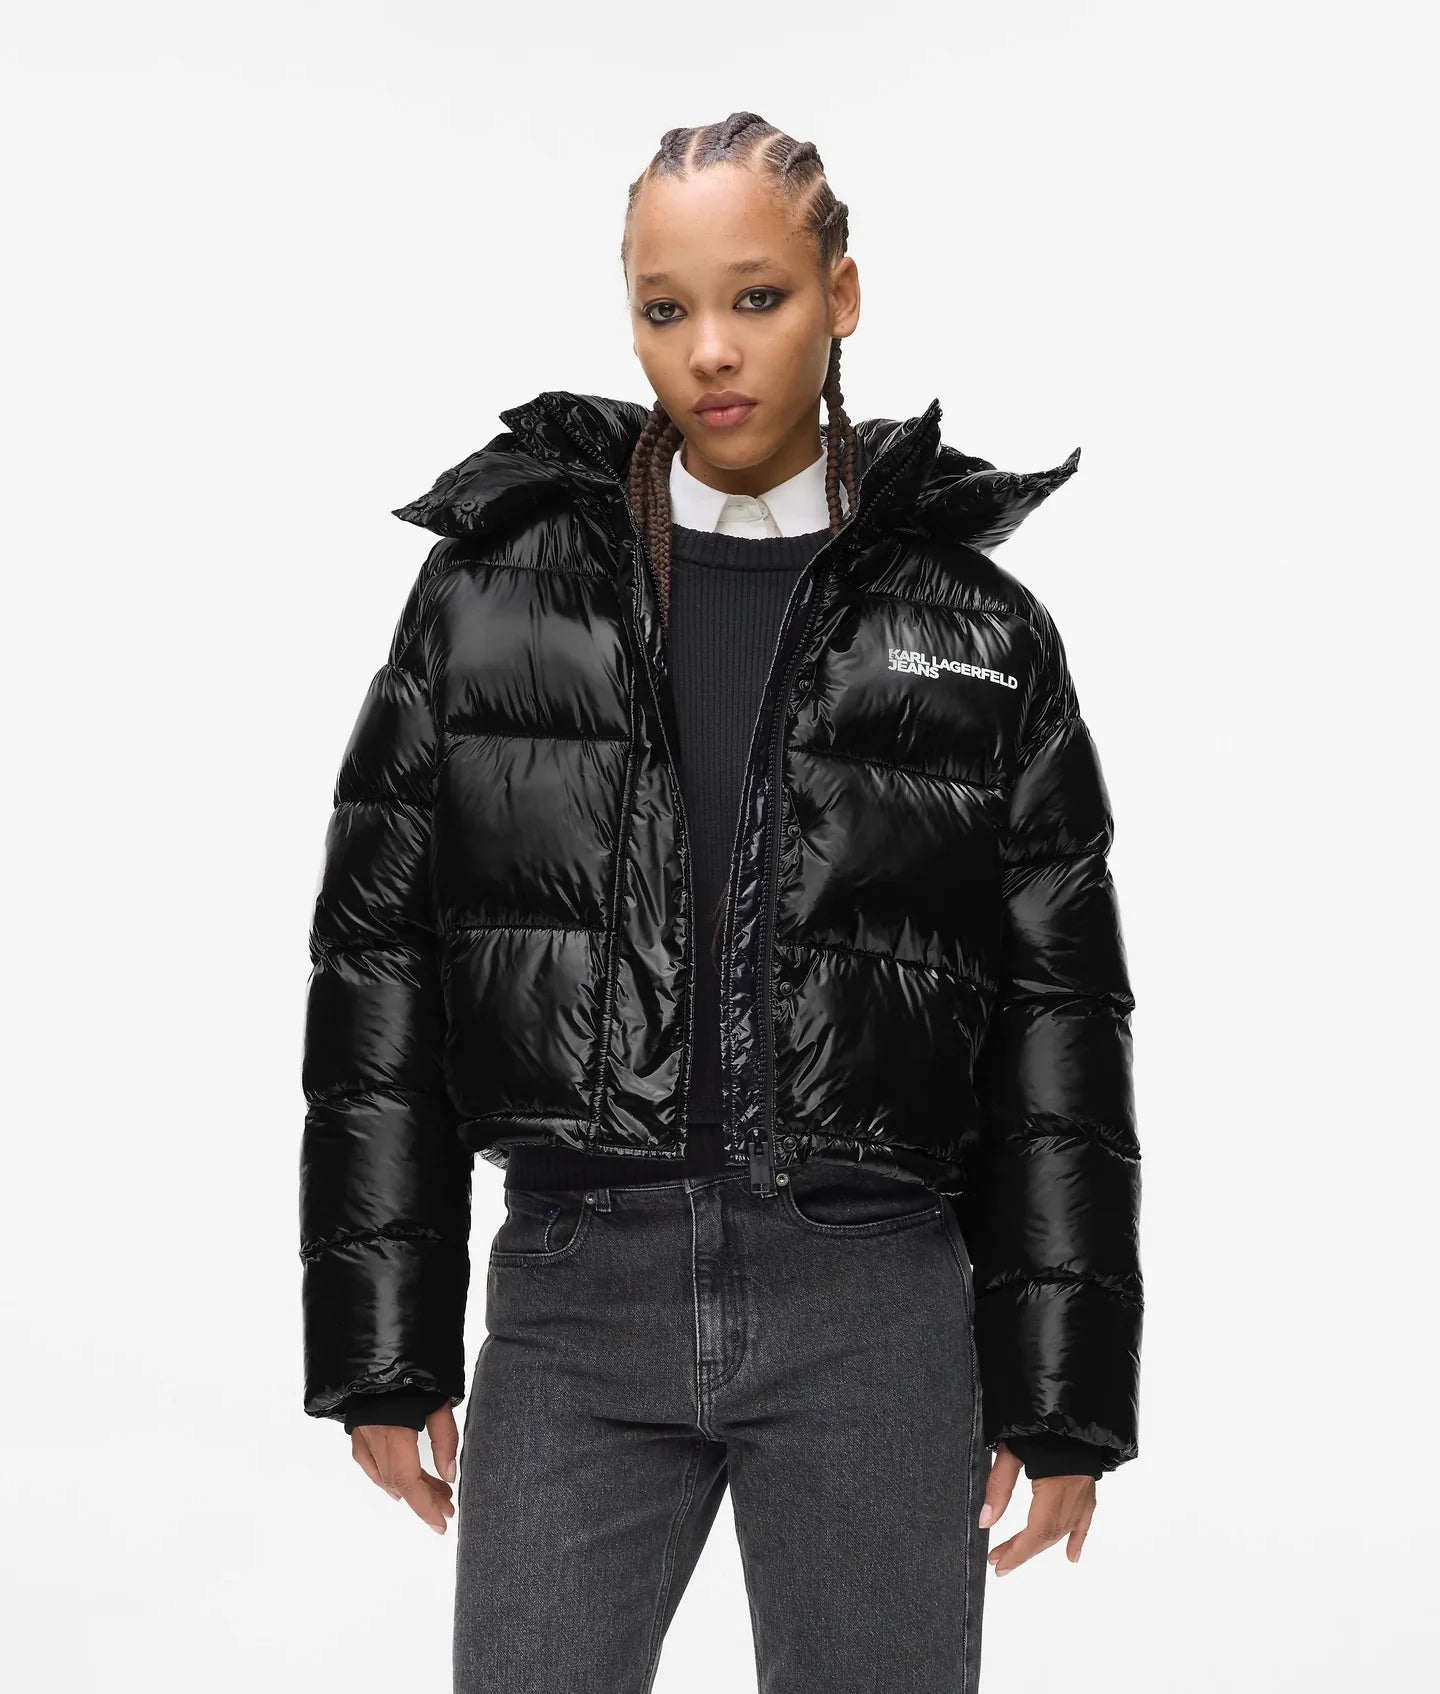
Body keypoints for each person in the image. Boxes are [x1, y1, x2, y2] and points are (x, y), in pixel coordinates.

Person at [299, 111, 1142, 1694]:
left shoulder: (980, 631)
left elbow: (1059, 1025)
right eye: (664, 306)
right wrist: (381, 1342)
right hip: (575, 1288)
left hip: (873, 1298)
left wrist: (1061, 1386)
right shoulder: (493, 594)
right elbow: (379, 967)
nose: (710, 349)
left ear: (842, 294)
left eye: (758, 296)